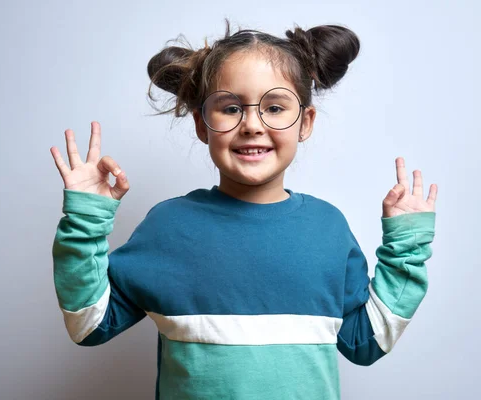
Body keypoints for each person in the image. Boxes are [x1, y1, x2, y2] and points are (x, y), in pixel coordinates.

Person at [50, 21, 438, 400]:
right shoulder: (168, 227)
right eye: (231, 108)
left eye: (274, 107)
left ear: (305, 122)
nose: (252, 125)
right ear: (203, 124)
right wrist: (86, 219)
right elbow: (89, 325)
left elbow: (365, 343)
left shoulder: (328, 228)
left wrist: (406, 247)